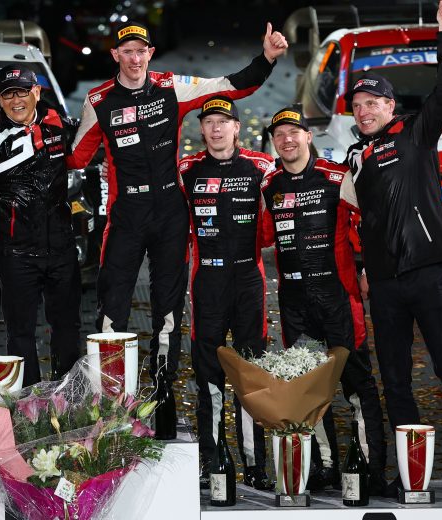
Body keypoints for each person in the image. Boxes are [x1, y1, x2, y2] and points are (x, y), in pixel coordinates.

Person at [67, 22, 287, 390]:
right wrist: (66, 139)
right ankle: (108, 393)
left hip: (170, 212)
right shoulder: (99, 100)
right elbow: (75, 157)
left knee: (167, 307)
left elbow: (229, 85)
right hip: (126, 214)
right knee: (112, 304)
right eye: (127, 51)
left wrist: (266, 58)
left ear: (150, 53)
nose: (134, 59)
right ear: (115, 54)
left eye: (141, 51)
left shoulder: (171, 86)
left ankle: (163, 387)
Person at [345, 0, 442, 489]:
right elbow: (355, 219)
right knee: (396, 382)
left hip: (428, 271)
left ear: (389, 106)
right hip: (384, 285)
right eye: (357, 106)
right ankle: (412, 475)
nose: (364, 111)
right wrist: (362, 265)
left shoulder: (417, 132)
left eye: (372, 103)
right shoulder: (354, 156)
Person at [260, 105, 388, 495]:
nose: (286, 140)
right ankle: (325, 467)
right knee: (309, 390)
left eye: (293, 132)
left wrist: (369, 270)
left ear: (308, 136)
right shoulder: (270, 187)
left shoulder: (337, 176)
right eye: (279, 135)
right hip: (295, 304)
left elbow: (373, 221)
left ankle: (371, 470)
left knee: (358, 386)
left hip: (338, 300)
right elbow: (262, 237)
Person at [178, 96, 274, 491]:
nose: (216, 128)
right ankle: (213, 460)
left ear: (237, 127)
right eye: (209, 122)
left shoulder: (262, 167)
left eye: (223, 122)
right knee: (209, 379)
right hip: (207, 284)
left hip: (249, 282)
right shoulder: (187, 169)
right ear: (201, 129)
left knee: (251, 377)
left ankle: (255, 465)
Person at [0, 65, 82, 386]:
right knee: (20, 334)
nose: (16, 101)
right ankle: (29, 406)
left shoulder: (58, 122)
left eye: (22, 92)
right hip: (16, 253)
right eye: (8, 94)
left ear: (36, 92)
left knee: (68, 328)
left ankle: (69, 399)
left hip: (61, 248)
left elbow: (92, 143)